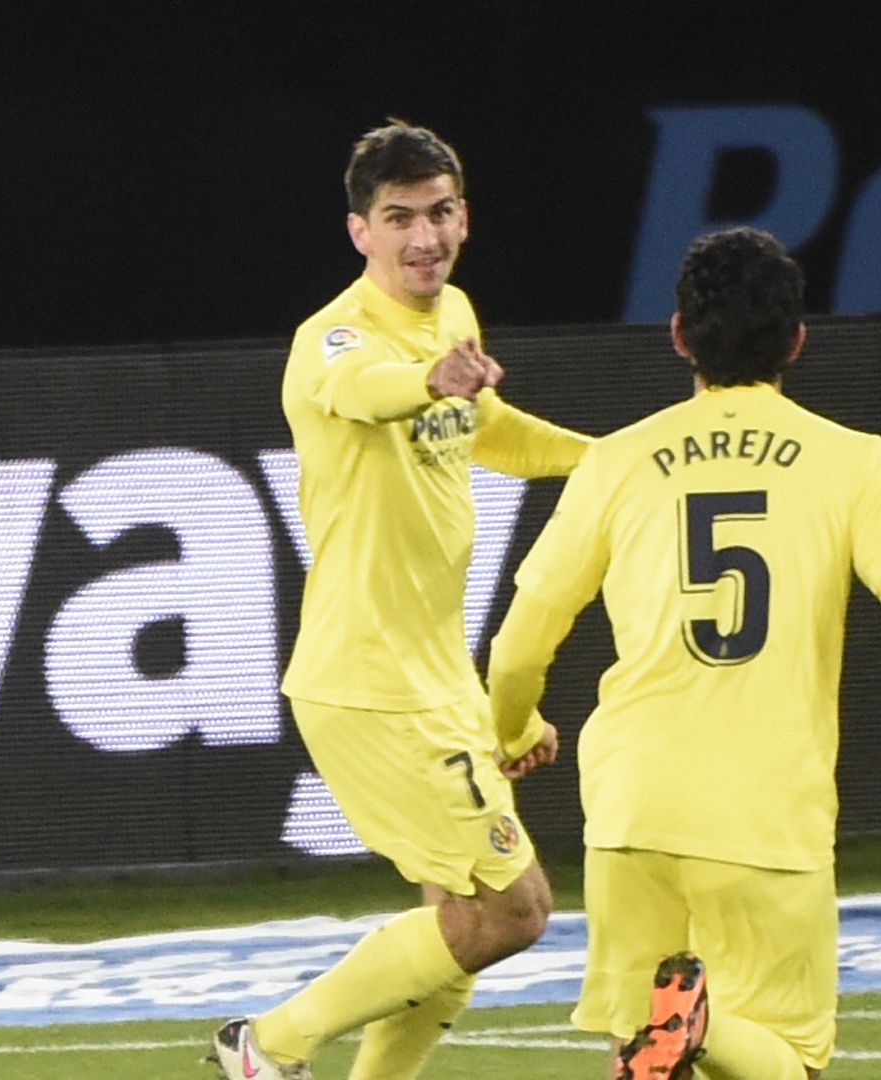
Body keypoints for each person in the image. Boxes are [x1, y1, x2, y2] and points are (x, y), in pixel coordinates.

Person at [487, 226, 881, 1079]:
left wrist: (515, 724)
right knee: (787, 1060)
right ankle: (702, 1028)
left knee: (639, 1045)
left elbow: (521, 637)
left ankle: (682, 1027)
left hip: (633, 805)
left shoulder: (615, 460)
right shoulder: (854, 462)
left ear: (679, 336)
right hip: (765, 811)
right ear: (796, 339)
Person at [210, 120, 592, 1080]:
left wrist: (616, 463)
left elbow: (489, 427)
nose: (425, 238)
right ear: (360, 232)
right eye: (400, 219)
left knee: (456, 921)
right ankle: (271, 1044)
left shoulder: (455, 310)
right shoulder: (332, 338)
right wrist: (427, 377)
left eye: (440, 213)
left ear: (463, 214)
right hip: (370, 681)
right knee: (515, 911)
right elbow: (369, 390)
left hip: (436, 676)